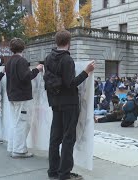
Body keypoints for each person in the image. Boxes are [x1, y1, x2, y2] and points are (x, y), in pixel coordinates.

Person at [44, 30, 95, 180]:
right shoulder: (67, 60)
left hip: (55, 102)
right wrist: (86, 72)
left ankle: (53, 171)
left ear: (56, 42)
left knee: (55, 137)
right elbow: (70, 84)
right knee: (68, 138)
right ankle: (64, 174)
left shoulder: (48, 58)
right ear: (69, 42)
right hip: (68, 103)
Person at [5, 38, 43, 158]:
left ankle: (12, 147)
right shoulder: (21, 61)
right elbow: (26, 77)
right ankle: (19, 150)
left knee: (15, 122)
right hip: (22, 96)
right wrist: (37, 69)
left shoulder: (9, 61)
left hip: (12, 95)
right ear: (23, 47)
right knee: (22, 123)